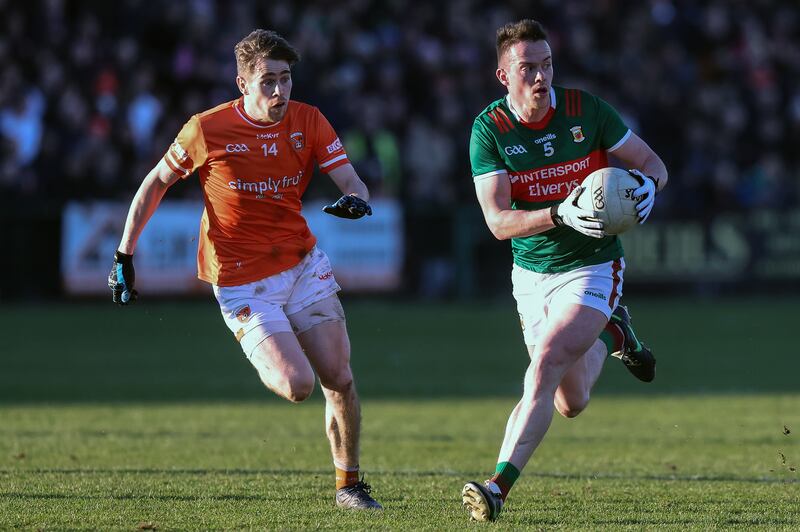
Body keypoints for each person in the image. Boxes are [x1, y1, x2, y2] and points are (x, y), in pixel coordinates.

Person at [107, 29, 382, 510]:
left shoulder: (308, 120)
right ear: (242, 84)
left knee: (339, 376)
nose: (279, 92)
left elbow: (350, 178)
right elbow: (154, 183)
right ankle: (272, 336)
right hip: (242, 284)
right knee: (298, 385)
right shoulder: (206, 130)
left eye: (286, 79)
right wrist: (123, 255)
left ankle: (349, 486)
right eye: (267, 82)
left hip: (300, 264)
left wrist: (357, 199)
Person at [461, 19, 668, 522]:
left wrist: (646, 189)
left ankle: (497, 487)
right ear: (503, 75)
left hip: (594, 266)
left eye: (546, 64)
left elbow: (654, 166)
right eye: (527, 68)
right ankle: (614, 331)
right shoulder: (490, 129)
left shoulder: (586, 110)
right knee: (569, 401)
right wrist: (559, 212)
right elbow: (497, 221)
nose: (540, 76)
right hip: (532, 274)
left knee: (545, 364)